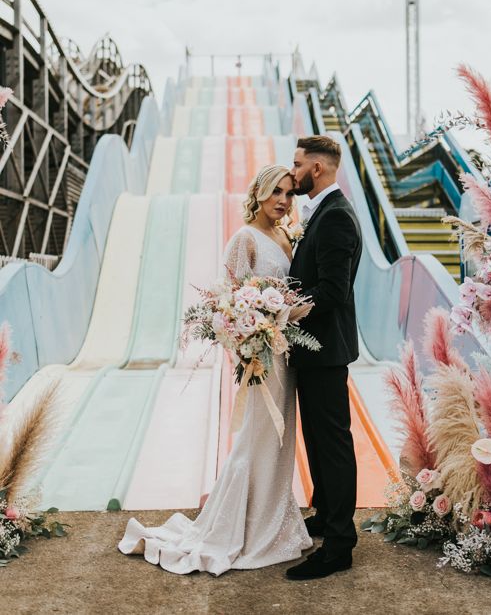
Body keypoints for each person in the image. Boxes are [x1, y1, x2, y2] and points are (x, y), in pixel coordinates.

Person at [117, 164, 312, 575]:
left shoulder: (285, 235)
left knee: (279, 443)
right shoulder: (245, 239)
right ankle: (242, 527)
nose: (283, 200)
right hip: (261, 357)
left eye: (290, 193)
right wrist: (248, 346)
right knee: (256, 438)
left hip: (285, 355)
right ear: (258, 192)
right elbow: (229, 303)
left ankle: (272, 521)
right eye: (276, 191)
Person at [285, 135, 362, 580]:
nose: (291, 171)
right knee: (316, 437)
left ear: (317, 169)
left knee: (332, 444)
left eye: (297, 164)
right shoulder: (324, 213)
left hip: (325, 349)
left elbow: (333, 291)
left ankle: (339, 544)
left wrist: (281, 307)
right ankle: (326, 512)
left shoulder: (336, 218)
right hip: (314, 349)